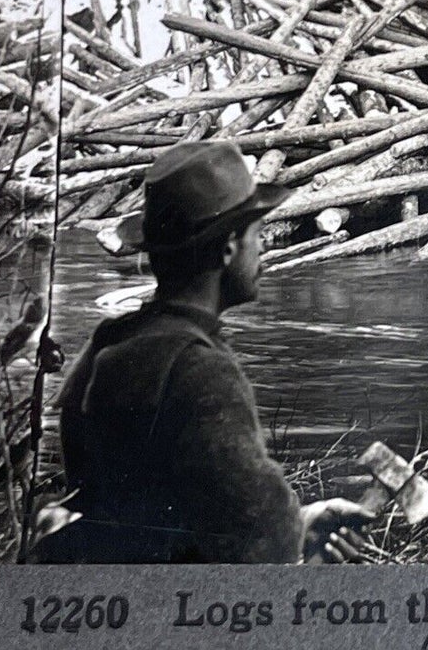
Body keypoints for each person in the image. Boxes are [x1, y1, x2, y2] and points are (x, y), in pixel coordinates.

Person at [32, 141, 372, 563]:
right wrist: (294, 543)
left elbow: (148, 509)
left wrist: (299, 522)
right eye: (257, 234)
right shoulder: (200, 369)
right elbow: (255, 536)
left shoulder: (113, 338)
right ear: (229, 247)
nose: (262, 248)